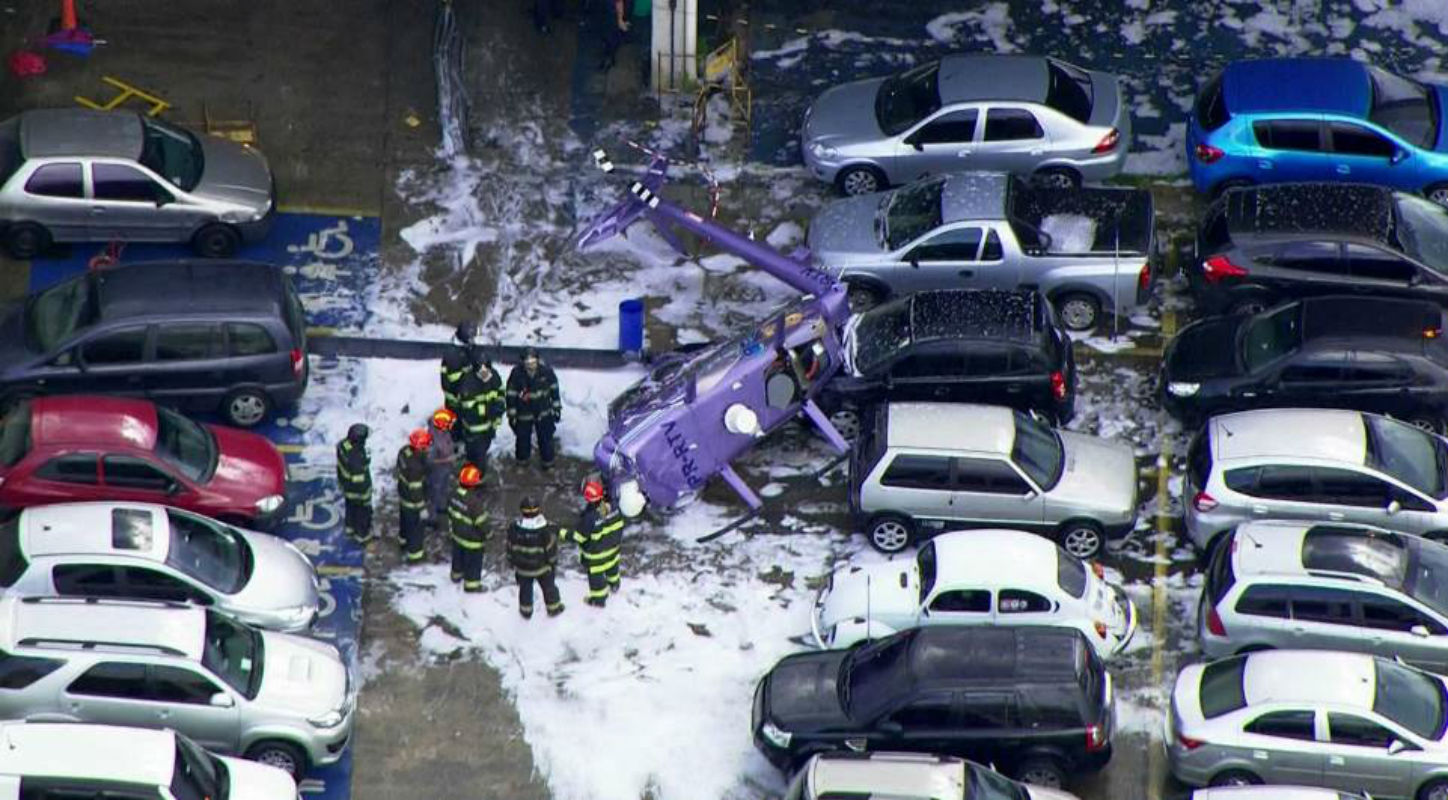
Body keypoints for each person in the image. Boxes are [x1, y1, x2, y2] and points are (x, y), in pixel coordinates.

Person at [506, 497, 565, 619]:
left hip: (523, 569)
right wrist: (552, 563)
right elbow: (550, 550)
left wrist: (511, 561)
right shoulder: (545, 530)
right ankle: (554, 608)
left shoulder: (514, 528)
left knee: (525, 590)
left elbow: (510, 547)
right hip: (542, 568)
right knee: (549, 588)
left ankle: (525, 611)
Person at [506, 347, 562, 469]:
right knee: (522, 439)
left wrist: (557, 408)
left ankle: (548, 464)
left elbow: (554, 390)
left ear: (537, 360)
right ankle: (522, 463)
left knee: (546, 439)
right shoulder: (517, 374)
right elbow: (511, 395)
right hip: (524, 412)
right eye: (527, 362)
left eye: (533, 362)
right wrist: (512, 415)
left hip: (543, 411)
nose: (530, 365)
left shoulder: (546, 372)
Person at [572, 479, 625, 607]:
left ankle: (599, 600)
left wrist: (561, 533)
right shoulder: (614, 508)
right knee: (613, 568)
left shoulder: (589, 517)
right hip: (613, 550)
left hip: (596, 557)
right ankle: (614, 585)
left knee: (596, 579)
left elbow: (579, 537)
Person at [458, 356, 505, 475]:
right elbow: (467, 408)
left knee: (483, 449)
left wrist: (499, 407)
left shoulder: (494, 377)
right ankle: (477, 475)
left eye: (487, 371)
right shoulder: (468, 381)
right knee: (477, 452)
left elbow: (500, 393)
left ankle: (474, 469)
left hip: (490, 424)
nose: (485, 374)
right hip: (474, 426)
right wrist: (489, 410)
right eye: (481, 372)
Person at [448, 463, 489, 593]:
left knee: (457, 556)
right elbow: (481, 522)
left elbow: (450, 512)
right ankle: (472, 585)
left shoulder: (454, 494)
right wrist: (489, 534)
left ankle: (456, 575)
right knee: (473, 562)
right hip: (473, 540)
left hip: (457, 534)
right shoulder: (474, 502)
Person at [396, 428, 431, 563]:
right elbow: (415, 490)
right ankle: (415, 555)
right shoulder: (415, 468)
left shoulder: (404, 451)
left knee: (404, 522)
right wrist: (422, 508)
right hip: (413, 503)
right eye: (425, 447)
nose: (427, 449)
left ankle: (403, 542)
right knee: (416, 529)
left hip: (403, 494)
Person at [336, 423, 373, 544]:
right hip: (358, 490)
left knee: (350, 507)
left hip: (346, 485)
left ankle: (350, 528)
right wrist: (366, 495)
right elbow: (359, 480)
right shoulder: (357, 456)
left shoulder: (343, 445)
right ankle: (362, 536)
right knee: (362, 512)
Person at [427, 408, 460, 524]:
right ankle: (432, 518)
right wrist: (446, 459)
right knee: (434, 493)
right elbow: (429, 460)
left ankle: (441, 506)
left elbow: (448, 443)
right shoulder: (432, 438)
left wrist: (454, 449)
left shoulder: (444, 432)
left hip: (446, 467)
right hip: (437, 471)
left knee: (444, 489)